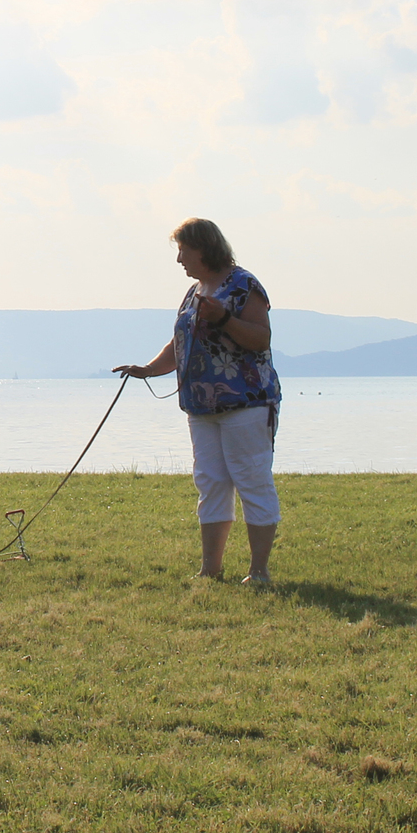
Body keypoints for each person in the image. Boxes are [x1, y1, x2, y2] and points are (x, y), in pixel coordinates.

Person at [114, 217, 282, 585]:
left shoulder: (244, 285)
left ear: (204, 249)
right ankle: (210, 569)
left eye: (183, 251)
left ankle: (259, 571)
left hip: (247, 404)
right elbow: (179, 343)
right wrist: (148, 369)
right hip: (201, 408)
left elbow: (260, 338)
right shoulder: (194, 292)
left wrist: (223, 318)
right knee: (211, 482)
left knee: (252, 480)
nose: (179, 260)